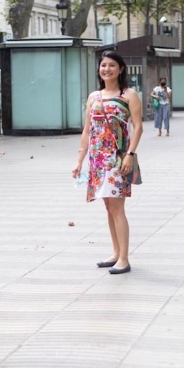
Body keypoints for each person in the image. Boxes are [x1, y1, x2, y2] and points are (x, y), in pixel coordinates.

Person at [72, 51, 143, 275]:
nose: (107, 69)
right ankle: (115, 252)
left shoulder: (129, 94)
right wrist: (79, 161)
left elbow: (138, 127)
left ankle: (124, 258)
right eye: (103, 65)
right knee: (108, 207)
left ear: (121, 69)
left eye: (112, 65)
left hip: (118, 159)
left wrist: (130, 154)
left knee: (117, 207)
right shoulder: (94, 97)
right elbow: (87, 130)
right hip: (97, 159)